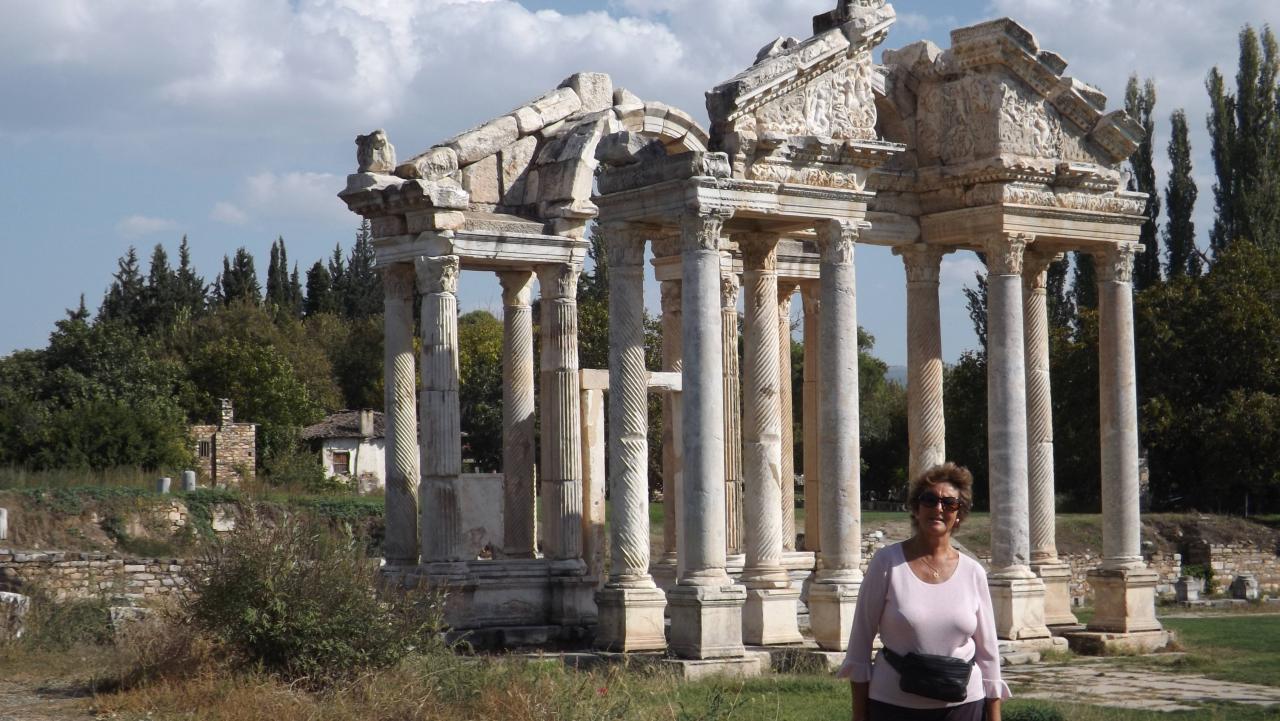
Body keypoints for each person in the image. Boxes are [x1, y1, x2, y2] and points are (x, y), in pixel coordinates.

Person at [836, 463, 1009, 721]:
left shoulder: (973, 572)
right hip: (894, 706)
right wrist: (859, 716)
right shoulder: (887, 563)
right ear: (916, 509)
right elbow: (859, 647)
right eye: (930, 500)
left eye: (949, 503)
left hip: (962, 708)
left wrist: (994, 716)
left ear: (959, 515)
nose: (938, 508)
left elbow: (988, 654)